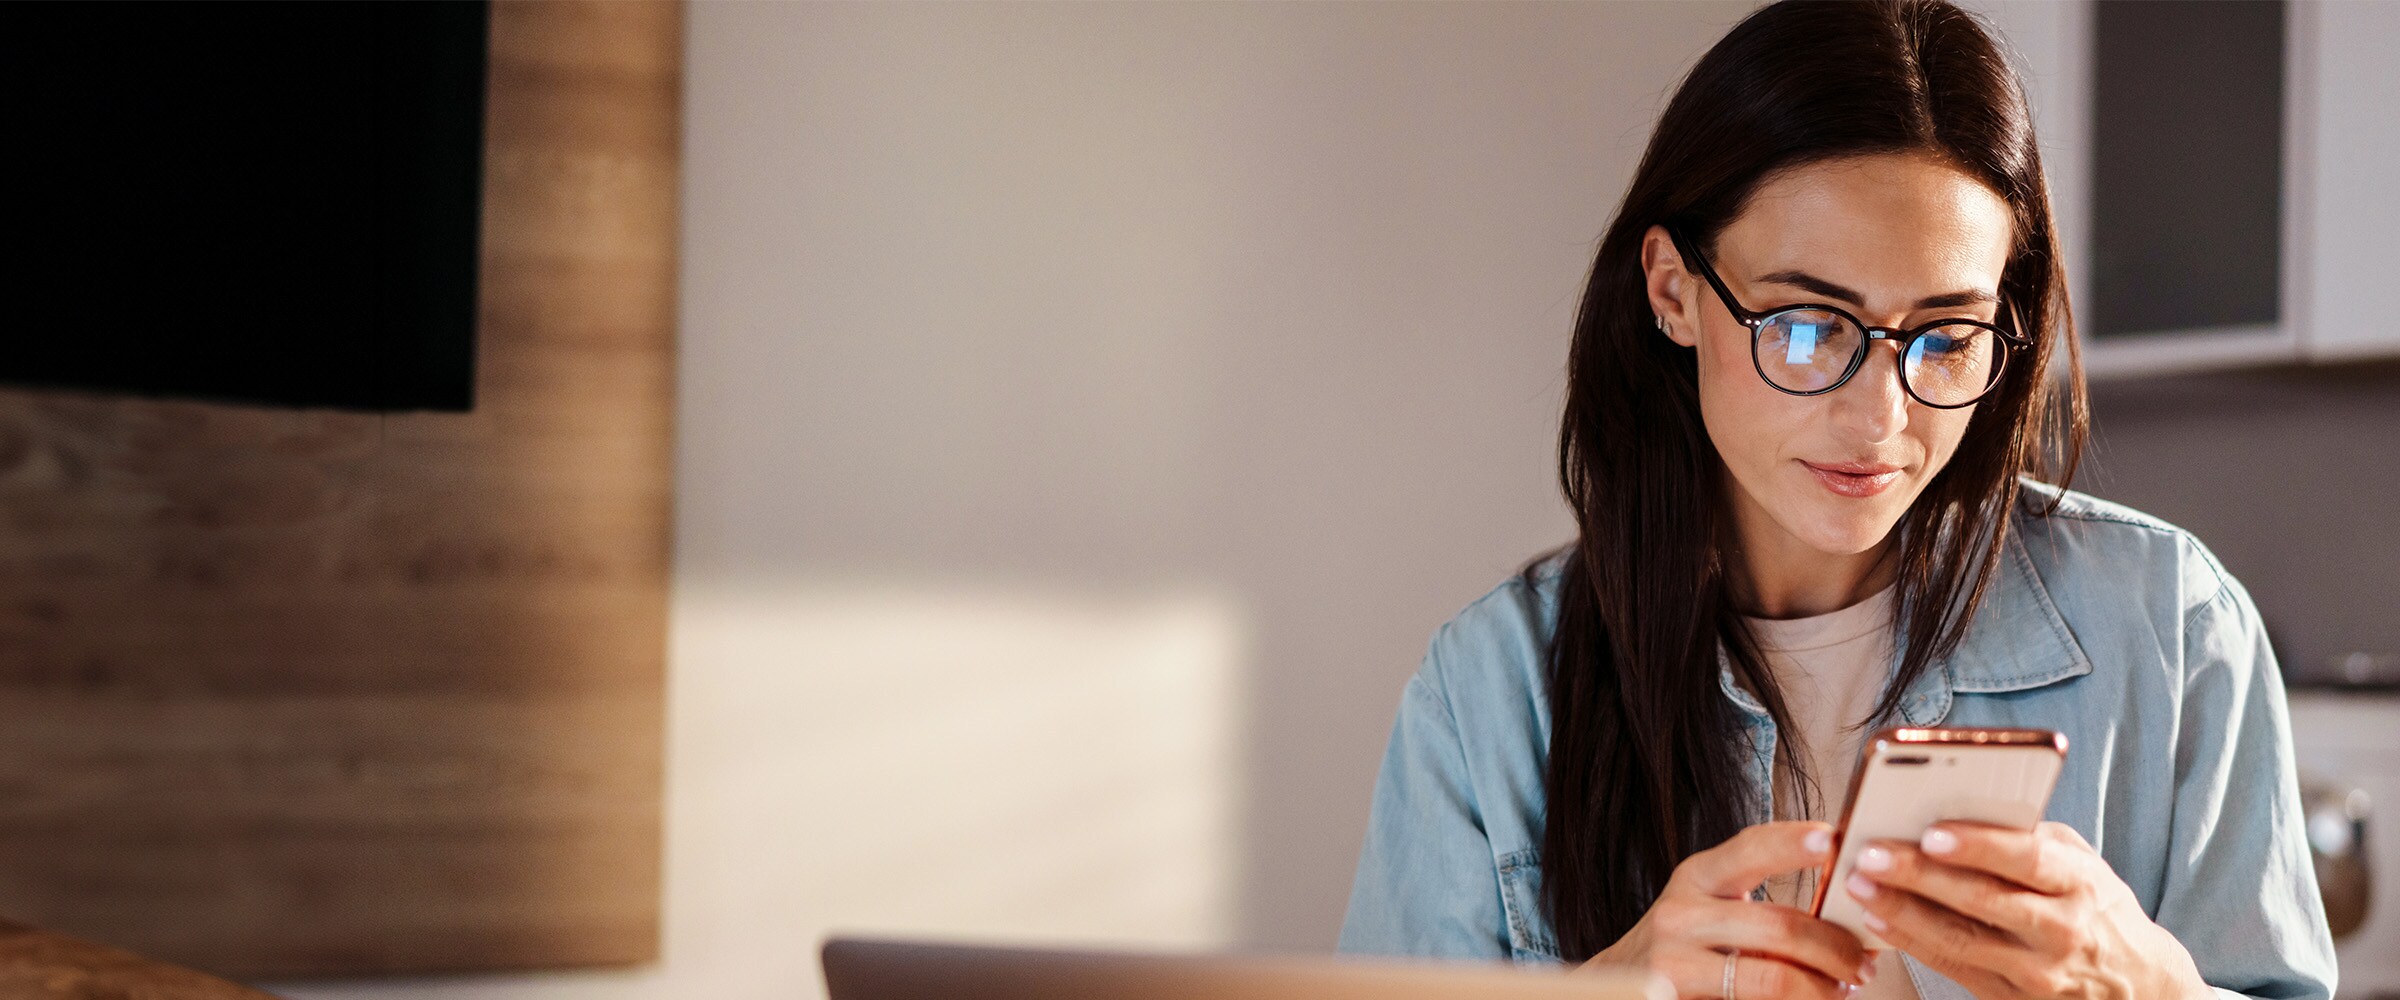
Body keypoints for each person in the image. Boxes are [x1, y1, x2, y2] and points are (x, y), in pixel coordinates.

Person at [1333, 2, 2339, 999]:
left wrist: (2150, 990)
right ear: (1674, 292)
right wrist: (1603, 992)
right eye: (1811, 326)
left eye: (1944, 337)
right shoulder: (1489, 693)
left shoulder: (2170, 625)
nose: (1879, 419)